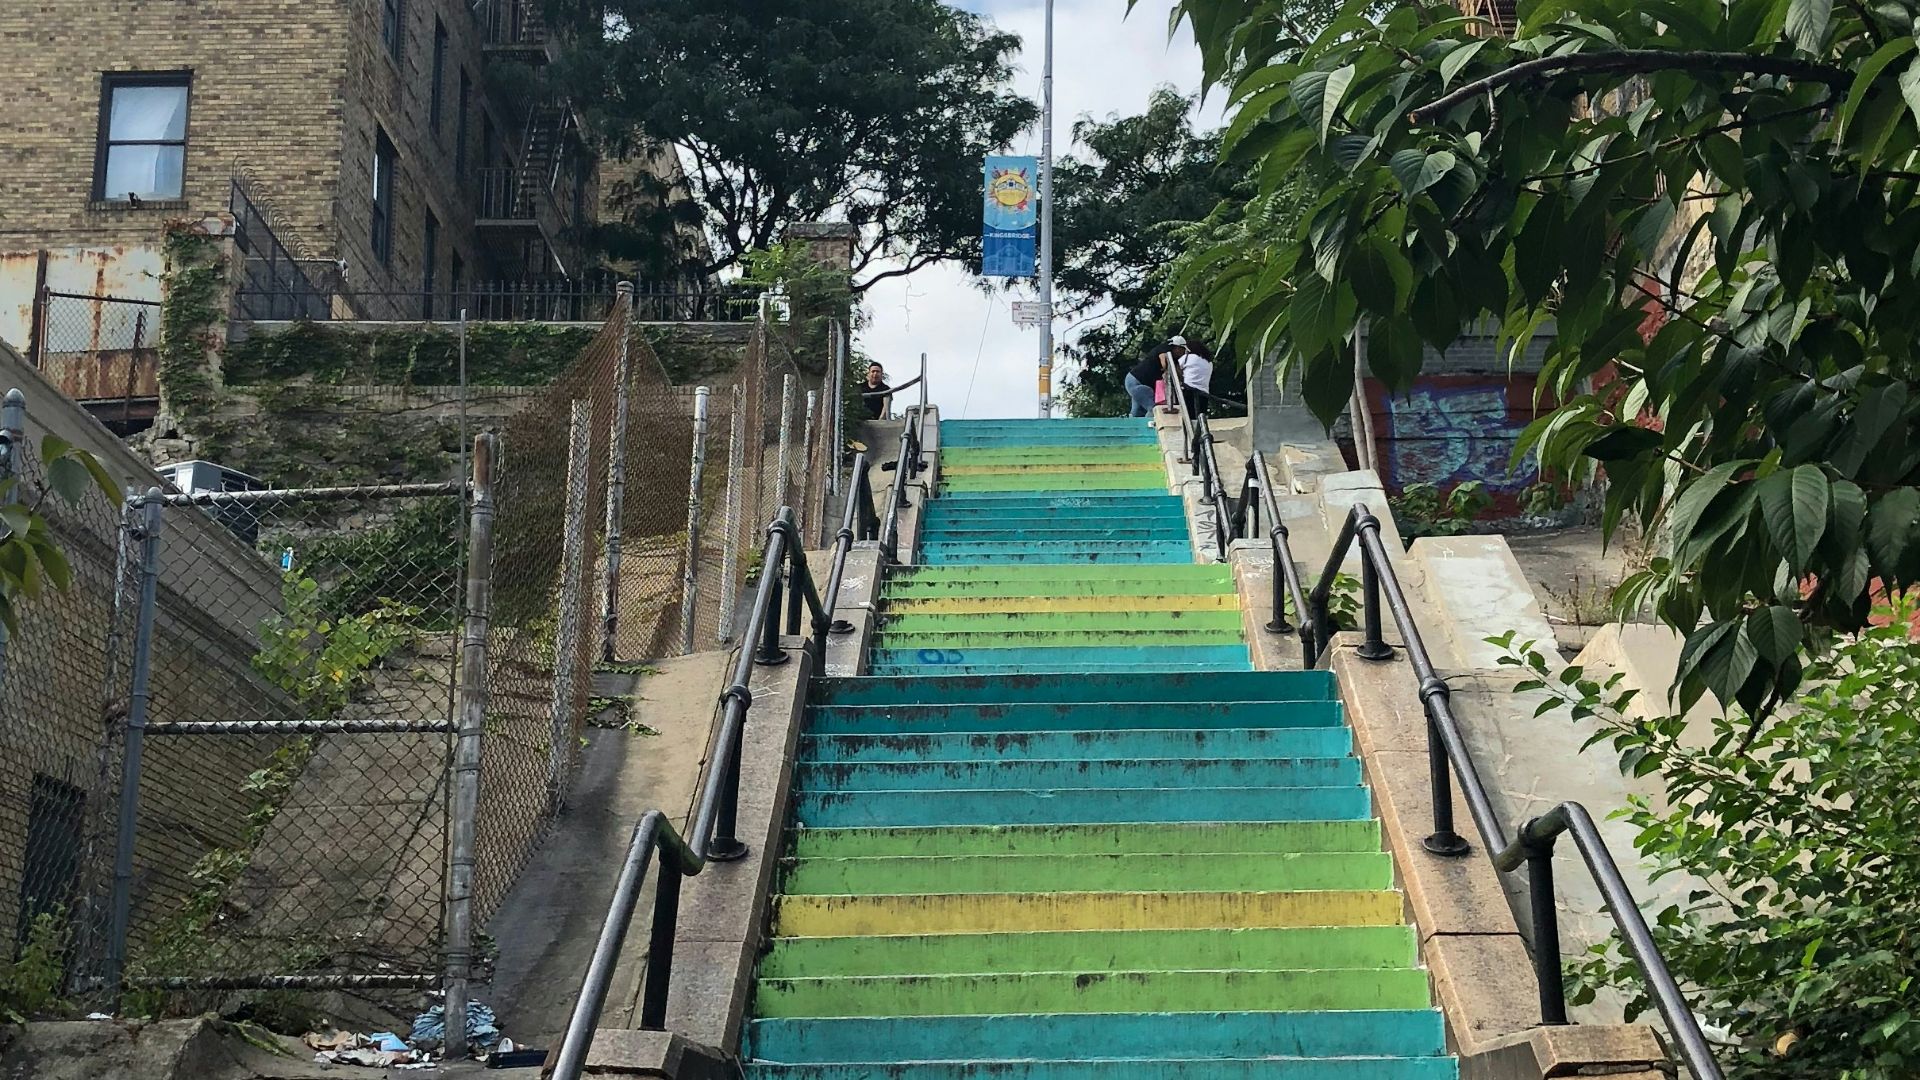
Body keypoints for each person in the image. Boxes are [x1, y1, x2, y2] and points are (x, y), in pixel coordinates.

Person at [1125, 336, 1189, 417]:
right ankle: (1151, 426)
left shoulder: (1174, 359)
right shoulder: (1164, 348)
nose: (1183, 353)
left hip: (1135, 380)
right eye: (1183, 350)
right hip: (1136, 381)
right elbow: (1164, 363)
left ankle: (1133, 426)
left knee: (1138, 411)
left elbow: (1179, 374)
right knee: (1154, 408)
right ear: (1177, 347)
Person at [1179, 341, 1214, 416]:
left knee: (1188, 417)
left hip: (1188, 390)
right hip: (1204, 393)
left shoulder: (1188, 358)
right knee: (1200, 418)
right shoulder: (1209, 362)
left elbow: (1176, 367)